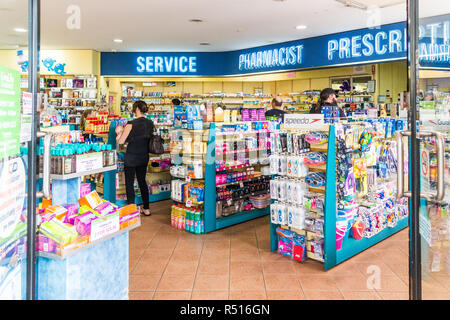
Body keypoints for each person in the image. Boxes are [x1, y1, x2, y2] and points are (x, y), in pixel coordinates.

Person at [115, 100, 155, 216]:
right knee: (142, 181)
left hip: (131, 156)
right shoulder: (150, 123)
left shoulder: (131, 124)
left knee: (129, 182)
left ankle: (131, 209)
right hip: (144, 156)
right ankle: (146, 208)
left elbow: (121, 141)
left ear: (136, 109)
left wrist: (118, 132)